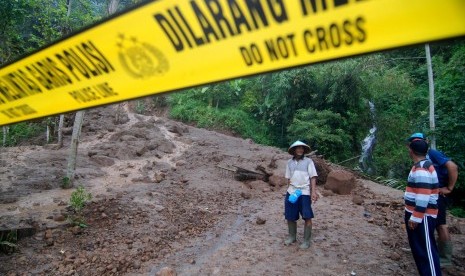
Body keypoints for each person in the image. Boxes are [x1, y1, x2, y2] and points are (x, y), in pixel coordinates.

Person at [408, 133, 459, 267]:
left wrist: (449, 188)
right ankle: (430, 250)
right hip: (430, 193)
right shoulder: (423, 160)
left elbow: (452, 166)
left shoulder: (433, 153)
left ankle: (444, 258)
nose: (415, 143)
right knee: (429, 224)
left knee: (440, 225)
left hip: (436, 195)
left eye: (418, 141)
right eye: (414, 141)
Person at [404, 138, 441, 276]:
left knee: (426, 252)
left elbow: (424, 194)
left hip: (422, 216)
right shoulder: (424, 164)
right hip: (419, 215)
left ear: (411, 151)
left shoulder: (421, 168)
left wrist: (416, 217)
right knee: (420, 250)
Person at [284, 140, 318, 249]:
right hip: (292, 192)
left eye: (302, 148)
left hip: (304, 192)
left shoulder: (308, 162)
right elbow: (288, 179)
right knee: (290, 215)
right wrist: (288, 191)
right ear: (294, 150)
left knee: (307, 216)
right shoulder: (289, 162)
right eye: (298, 148)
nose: (300, 150)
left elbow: (313, 177)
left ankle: (306, 241)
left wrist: (313, 192)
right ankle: (292, 237)